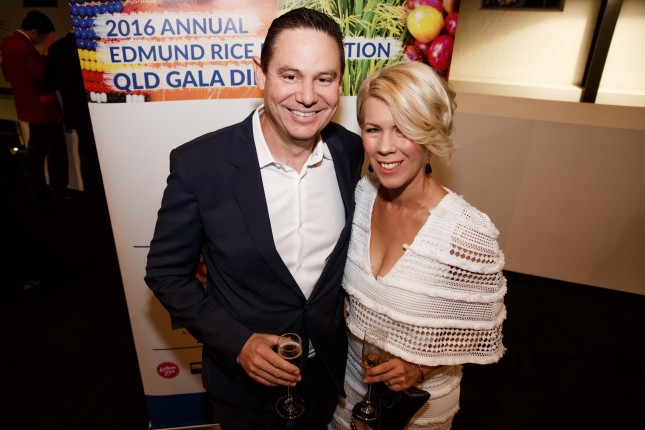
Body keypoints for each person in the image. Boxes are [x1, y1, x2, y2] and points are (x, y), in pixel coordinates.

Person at [145, 8, 364, 430]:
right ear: (260, 73)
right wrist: (238, 343)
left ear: (340, 83)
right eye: (290, 75)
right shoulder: (200, 165)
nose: (307, 96)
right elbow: (166, 274)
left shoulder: (350, 151)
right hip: (243, 391)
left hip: (326, 375)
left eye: (324, 78)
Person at [330, 61, 507, 429]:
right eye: (373, 129)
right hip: (349, 394)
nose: (385, 147)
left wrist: (421, 367)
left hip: (416, 412)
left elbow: (479, 333)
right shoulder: (360, 197)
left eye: (403, 129)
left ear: (430, 133)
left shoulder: (466, 232)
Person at [1, 10, 69, 200]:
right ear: (35, 31)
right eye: (44, 37)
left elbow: (7, 75)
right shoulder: (26, 47)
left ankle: (36, 187)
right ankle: (58, 189)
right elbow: (41, 74)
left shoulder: (8, 43)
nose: (43, 40)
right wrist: (46, 52)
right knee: (55, 150)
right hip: (44, 108)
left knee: (36, 149)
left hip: (27, 107)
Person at [45, 29, 106, 207]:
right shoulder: (98, 42)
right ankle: (106, 197)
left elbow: (50, 82)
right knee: (104, 155)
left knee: (86, 155)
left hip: (77, 113)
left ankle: (92, 198)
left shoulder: (57, 48)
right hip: (101, 110)